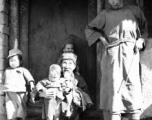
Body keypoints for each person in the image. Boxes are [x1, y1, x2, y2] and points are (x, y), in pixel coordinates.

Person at [85, 0, 148, 120]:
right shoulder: (105, 14)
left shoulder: (135, 11)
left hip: (131, 54)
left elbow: (144, 29)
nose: (113, 2)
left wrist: (141, 40)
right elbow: (90, 28)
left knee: (132, 86)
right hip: (112, 56)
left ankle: (133, 115)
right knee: (113, 86)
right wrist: (101, 38)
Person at [2, 49, 35, 120]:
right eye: (11, 61)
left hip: (20, 91)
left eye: (15, 61)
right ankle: (12, 117)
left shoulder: (23, 70)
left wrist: (31, 83)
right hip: (9, 91)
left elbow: (29, 77)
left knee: (21, 105)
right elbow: (3, 79)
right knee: (10, 105)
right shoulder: (7, 70)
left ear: (20, 61)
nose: (12, 63)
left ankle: (21, 117)